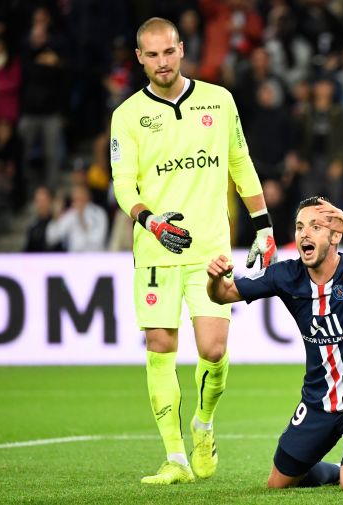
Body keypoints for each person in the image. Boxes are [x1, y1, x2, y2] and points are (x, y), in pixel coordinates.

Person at [109, 17, 277, 485]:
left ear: (181, 49)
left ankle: (203, 423)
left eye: (169, 52)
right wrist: (150, 220)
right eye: (152, 55)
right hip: (156, 248)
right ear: (140, 58)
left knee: (214, 348)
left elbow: (240, 161)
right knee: (160, 345)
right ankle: (175, 456)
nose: (162, 62)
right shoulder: (126, 116)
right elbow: (123, 184)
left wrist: (263, 225)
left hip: (210, 249)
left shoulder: (219, 101)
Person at [206, 197, 343, 492]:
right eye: (300, 227)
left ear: (335, 236)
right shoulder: (286, 276)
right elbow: (223, 294)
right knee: (279, 483)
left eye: (316, 227)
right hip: (318, 401)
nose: (305, 233)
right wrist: (214, 279)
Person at [45, 183, 108, 252]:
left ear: (87, 197)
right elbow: (52, 238)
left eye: (80, 198)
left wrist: (81, 219)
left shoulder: (98, 213)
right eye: (75, 199)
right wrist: (56, 216)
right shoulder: (70, 214)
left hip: (95, 257)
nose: (77, 202)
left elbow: (98, 240)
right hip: (75, 259)